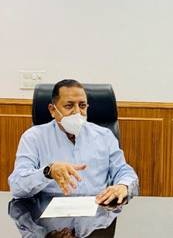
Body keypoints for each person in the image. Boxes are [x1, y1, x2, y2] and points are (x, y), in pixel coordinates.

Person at [9, 79, 138, 205]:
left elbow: (123, 171)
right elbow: (17, 186)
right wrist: (48, 171)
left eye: (82, 105)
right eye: (69, 106)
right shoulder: (33, 137)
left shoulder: (104, 136)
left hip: (96, 215)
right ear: (52, 110)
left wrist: (123, 186)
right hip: (49, 219)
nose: (77, 112)